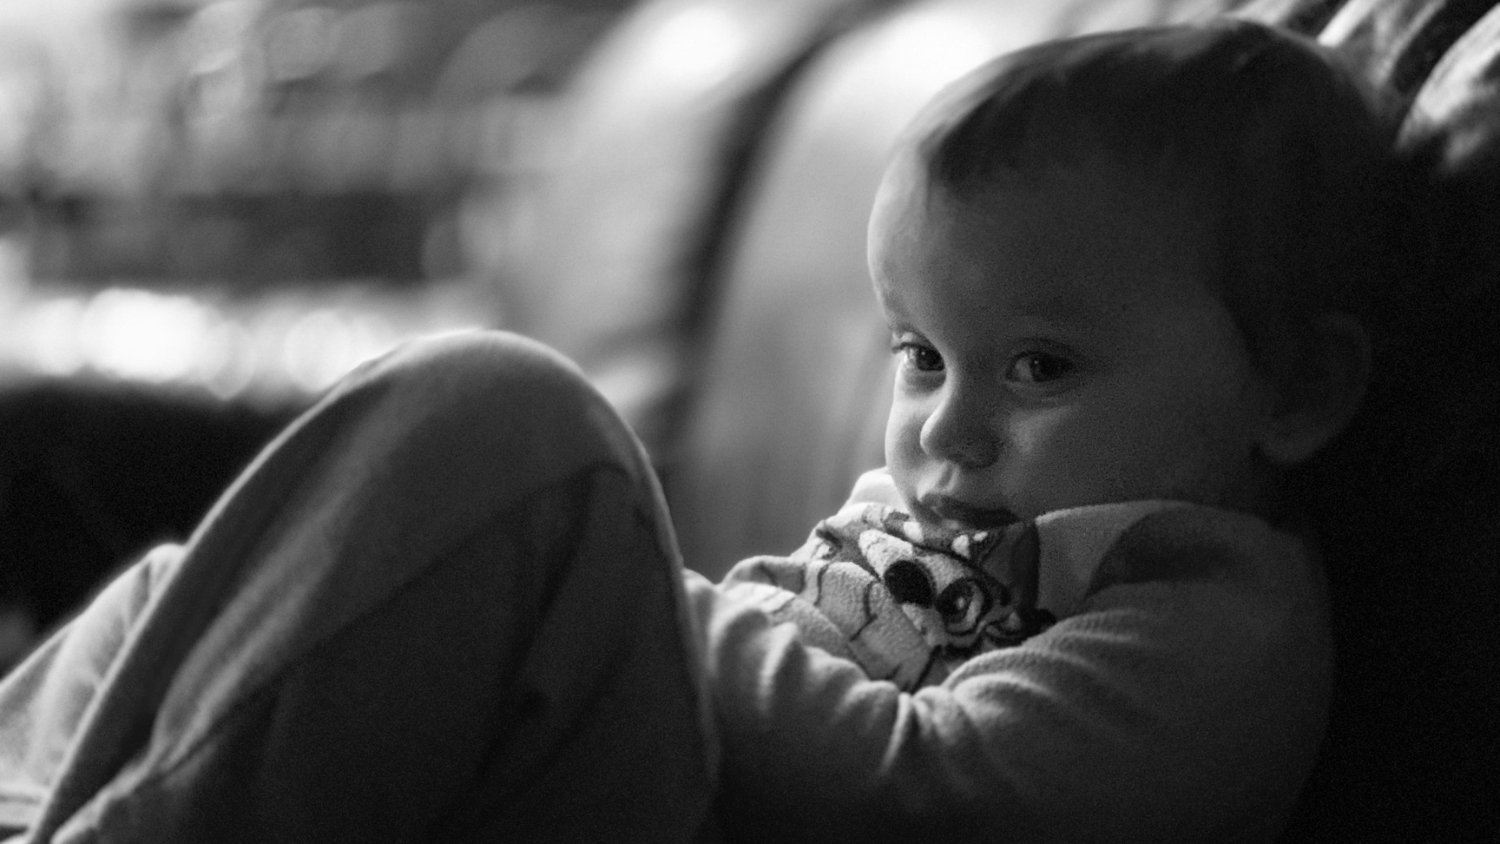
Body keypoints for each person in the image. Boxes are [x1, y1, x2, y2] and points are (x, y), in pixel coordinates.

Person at [0, 19, 1410, 842]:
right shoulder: (960, 521)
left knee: (512, 431)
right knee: (208, 592)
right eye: (921, 358)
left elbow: (928, 793)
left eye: (1039, 368)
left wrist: (635, 596)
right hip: (645, 778)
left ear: (1297, 392)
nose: (948, 429)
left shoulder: (1208, 619)